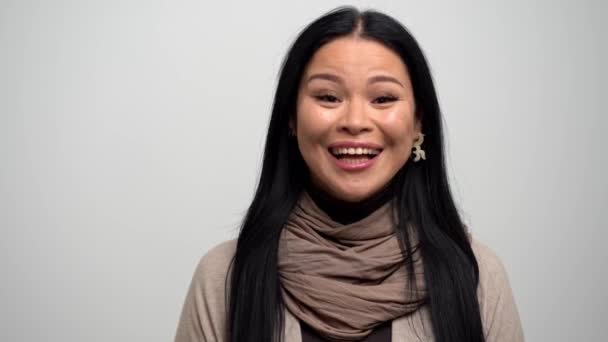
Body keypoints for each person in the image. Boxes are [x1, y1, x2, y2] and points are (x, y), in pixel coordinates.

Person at [174, 6, 524, 342]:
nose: (355, 122)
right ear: (292, 118)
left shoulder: (476, 277)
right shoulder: (225, 278)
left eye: (383, 98)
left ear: (419, 121)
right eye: (328, 97)